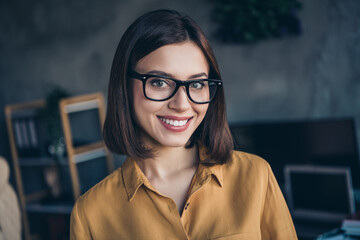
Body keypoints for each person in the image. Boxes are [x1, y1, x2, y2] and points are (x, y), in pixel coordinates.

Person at [70, 9, 297, 240]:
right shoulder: (90, 213)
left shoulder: (256, 176)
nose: (181, 103)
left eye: (197, 84)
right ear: (124, 86)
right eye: (159, 82)